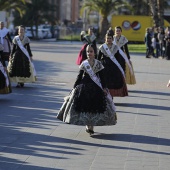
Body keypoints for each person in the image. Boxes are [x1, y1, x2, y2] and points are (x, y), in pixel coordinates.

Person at [57, 45, 117, 135]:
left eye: (91, 51)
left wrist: (104, 88)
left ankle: (91, 125)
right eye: (88, 51)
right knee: (84, 105)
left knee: (95, 107)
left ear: (95, 52)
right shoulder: (84, 63)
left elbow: (102, 77)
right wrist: (74, 87)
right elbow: (79, 77)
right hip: (84, 86)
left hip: (96, 87)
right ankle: (87, 125)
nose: (89, 53)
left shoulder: (98, 64)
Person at [98, 31, 128, 97]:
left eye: (110, 38)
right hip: (104, 67)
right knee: (105, 82)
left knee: (112, 84)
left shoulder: (115, 47)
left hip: (113, 67)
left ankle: (111, 96)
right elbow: (98, 59)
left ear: (112, 39)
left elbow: (118, 59)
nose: (109, 40)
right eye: (107, 38)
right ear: (105, 39)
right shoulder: (102, 47)